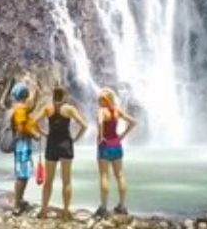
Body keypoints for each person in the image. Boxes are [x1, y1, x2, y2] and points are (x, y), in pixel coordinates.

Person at [40, 86, 89, 219]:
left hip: (51, 144)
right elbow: (84, 125)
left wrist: (44, 133)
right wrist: (76, 139)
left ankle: (43, 210)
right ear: (65, 96)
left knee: (48, 181)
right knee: (66, 181)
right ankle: (66, 211)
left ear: (53, 95)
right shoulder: (69, 108)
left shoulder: (47, 108)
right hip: (66, 144)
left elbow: (33, 122)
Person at [95, 88, 139, 216]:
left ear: (105, 100)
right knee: (120, 175)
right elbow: (133, 122)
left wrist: (102, 136)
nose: (98, 102)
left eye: (100, 100)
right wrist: (123, 136)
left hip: (104, 146)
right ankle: (122, 206)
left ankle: (103, 208)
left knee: (104, 176)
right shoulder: (117, 110)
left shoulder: (101, 111)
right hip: (116, 145)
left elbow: (100, 122)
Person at [8, 82, 44, 214]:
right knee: (21, 175)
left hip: (23, 144)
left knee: (24, 173)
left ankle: (20, 199)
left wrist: (37, 95)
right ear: (24, 94)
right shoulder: (20, 110)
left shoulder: (21, 107)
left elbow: (31, 107)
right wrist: (35, 134)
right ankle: (17, 204)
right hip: (22, 145)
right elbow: (21, 129)